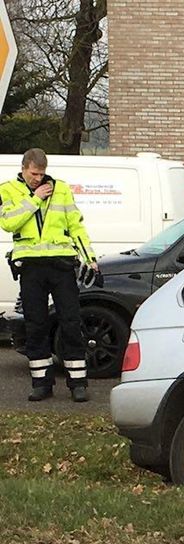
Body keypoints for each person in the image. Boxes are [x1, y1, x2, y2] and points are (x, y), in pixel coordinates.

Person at [0, 148, 97, 402]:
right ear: (24, 168)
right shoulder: (8, 189)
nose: (38, 179)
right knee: (36, 324)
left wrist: (90, 258)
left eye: (42, 174)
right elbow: (9, 222)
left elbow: (75, 225)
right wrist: (34, 198)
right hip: (31, 268)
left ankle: (78, 383)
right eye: (34, 174)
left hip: (61, 265)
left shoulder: (61, 188)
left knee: (71, 321)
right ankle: (41, 383)